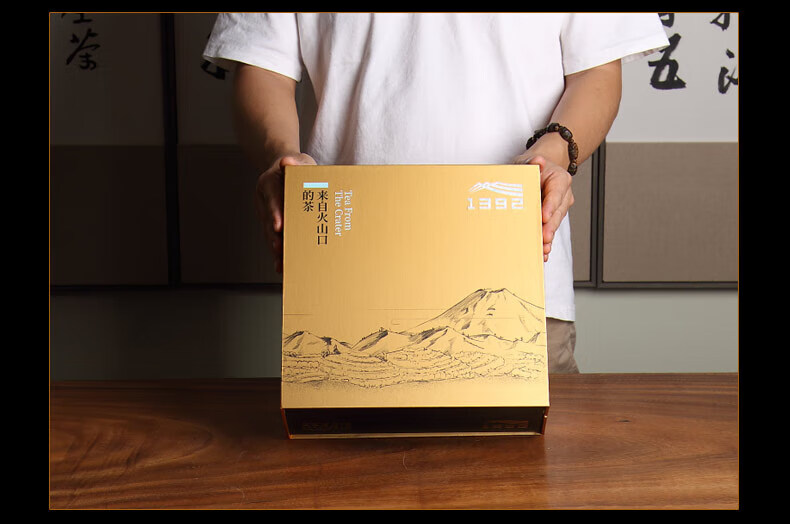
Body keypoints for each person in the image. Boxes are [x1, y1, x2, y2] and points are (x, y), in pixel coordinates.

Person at [203, 12, 669, 373]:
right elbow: (262, 65)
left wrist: (552, 154)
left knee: (532, 469)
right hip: (345, 275)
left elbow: (596, 71)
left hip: (518, 278)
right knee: (340, 468)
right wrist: (283, 158)